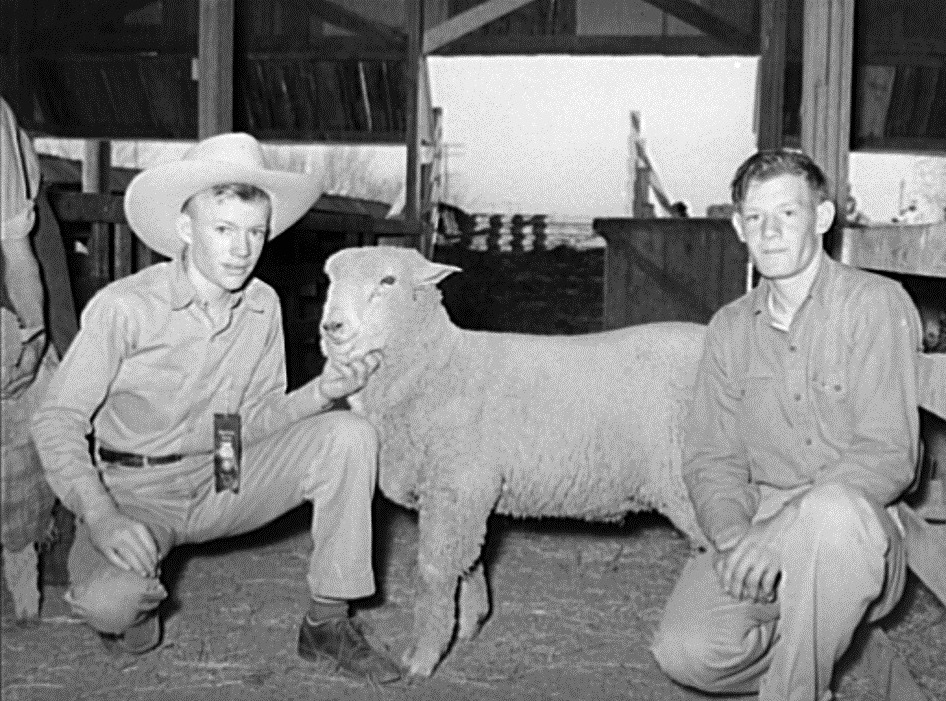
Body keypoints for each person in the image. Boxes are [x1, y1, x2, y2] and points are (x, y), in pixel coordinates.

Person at [31, 132, 401, 683]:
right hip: (135, 492)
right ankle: (133, 607)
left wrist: (324, 389)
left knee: (349, 434)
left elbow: (250, 421)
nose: (241, 248)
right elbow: (55, 420)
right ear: (186, 230)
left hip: (223, 472)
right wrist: (103, 514)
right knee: (110, 603)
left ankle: (326, 623)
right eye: (223, 229)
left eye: (255, 232)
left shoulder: (262, 306)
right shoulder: (125, 309)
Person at [651, 149, 922, 701]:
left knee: (832, 514)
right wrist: (734, 538)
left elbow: (890, 455)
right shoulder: (729, 329)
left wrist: (783, 531)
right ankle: (841, 651)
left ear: (821, 218)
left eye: (788, 214)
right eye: (755, 218)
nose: (770, 233)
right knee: (687, 653)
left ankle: (798, 689)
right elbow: (711, 458)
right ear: (737, 226)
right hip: (760, 520)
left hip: (861, 528)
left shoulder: (874, 305)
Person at [1, 95, 75, 619]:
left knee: (39, 389)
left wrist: (32, 334)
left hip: (18, 239)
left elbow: (15, 249)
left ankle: (34, 553)